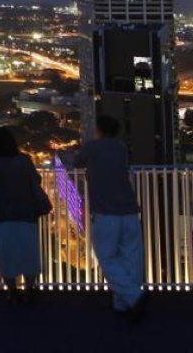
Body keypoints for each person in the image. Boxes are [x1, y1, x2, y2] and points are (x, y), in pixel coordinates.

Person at [76, 115, 147, 322]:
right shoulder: (121, 148)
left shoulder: (92, 146)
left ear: (99, 129)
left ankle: (134, 296)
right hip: (130, 209)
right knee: (131, 256)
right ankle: (123, 303)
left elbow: (77, 162)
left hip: (106, 212)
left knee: (106, 256)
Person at [0, 127, 46, 302]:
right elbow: (37, 180)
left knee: (6, 252)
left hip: (2, 212)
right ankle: (30, 288)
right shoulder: (24, 160)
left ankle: (12, 291)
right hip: (27, 212)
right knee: (28, 251)